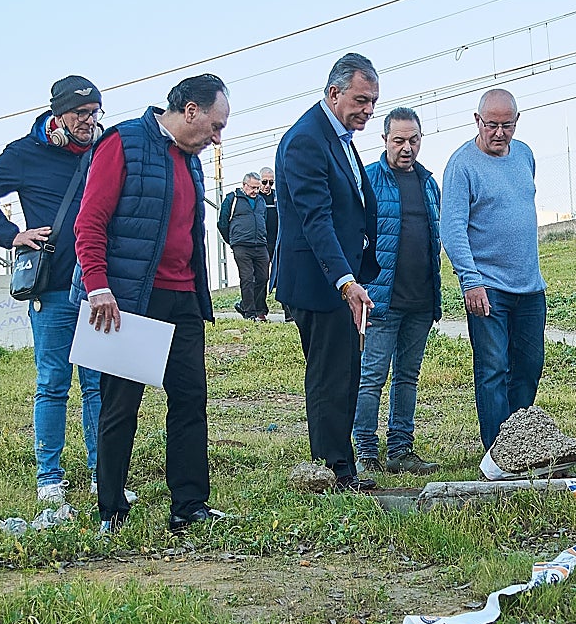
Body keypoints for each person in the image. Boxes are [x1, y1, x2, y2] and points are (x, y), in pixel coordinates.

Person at [73, 73, 228, 534]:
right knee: (121, 405)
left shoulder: (192, 161)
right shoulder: (125, 142)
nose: (217, 138)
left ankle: (189, 506)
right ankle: (111, 510)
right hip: (131, 300)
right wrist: (98, 286)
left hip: (182, 298)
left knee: (189, 400)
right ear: (191, 110)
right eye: (215, 126)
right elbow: (90, 222)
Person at [0, 75, 112, 506]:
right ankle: (50, 476)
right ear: (58, 114)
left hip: (96, 286)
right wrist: (11, 235)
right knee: (52, 382)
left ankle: (100, 472)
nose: (88, 121)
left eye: (94, 113)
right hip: (51, 289)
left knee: (97, 383)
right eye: (80, 114)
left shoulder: (104, 148)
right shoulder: (25, 153)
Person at [273, 53, 381, 491]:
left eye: (373, 101)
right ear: (334, 93)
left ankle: (341, 464)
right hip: (321, 284)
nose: (368, 110)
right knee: (329, 375)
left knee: (345, 371)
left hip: (343, 280)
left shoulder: (339, 138)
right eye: (360, 99)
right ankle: (332, 470)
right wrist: (345, 280)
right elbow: (315, 218)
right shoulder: (306, 139)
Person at [441, 89, 547, 450]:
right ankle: (498, 452)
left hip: (530, 287)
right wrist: (470, 281)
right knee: (493, 370)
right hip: (487, 288)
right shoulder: (462, 165)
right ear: (477, 121)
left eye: (507, 125)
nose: (499, 133)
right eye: (492, 125)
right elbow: (452, 229)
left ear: (517, 122)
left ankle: (522, 444)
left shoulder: (526, 155)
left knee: (529, 368)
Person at [352, 107, 442, 475]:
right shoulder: (368, 180)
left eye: (413, 140)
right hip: (380, 302)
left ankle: (402, 448)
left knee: (408, 376)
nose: (407, 148)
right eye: (399, 140)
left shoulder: (428, 183)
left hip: (420, 300)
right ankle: (366, 449)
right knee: (372, 376)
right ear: (385, 139)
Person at [218, 171, 269, 321]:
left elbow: (263, 219)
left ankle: (247, 306)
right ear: (244, 185)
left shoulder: (261, 201)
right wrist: (232, 240)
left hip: (260, 244)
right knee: (247, 278)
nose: (255, 191)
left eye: (257, 188)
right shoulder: (232, 199)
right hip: (241, 245)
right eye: (252, 187)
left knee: (263, 277)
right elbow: (222, 222)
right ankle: (250, 313)